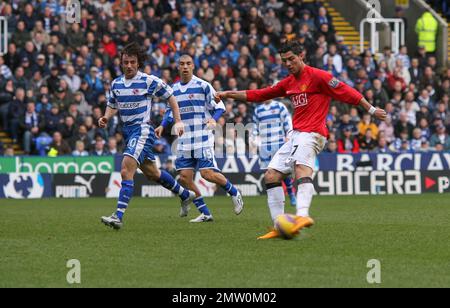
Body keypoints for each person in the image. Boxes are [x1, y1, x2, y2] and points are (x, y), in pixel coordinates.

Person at [216, 40, 387, 239]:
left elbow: (347, 92)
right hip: (296, 135)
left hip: (314, 133)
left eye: (291, 59)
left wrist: (371, 109)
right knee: (271, 176)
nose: (288, 64)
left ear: (301, 56)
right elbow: (259, 95)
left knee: (300, 170)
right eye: (284, 61)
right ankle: (279, 227)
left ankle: (303, 215)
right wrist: (228, 94)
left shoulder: (318, 76)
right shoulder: (288, 82)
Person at [99, 42, 195, 230]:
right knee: (153, 173)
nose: (128, 66)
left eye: (132, 62)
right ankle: (185, 194)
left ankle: (117, 216)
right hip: (127, 132)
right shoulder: (116, 83)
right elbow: (112, 105)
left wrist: (178, 121)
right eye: (125, 62)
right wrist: (106, 117)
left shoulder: (148, 81)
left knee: (126, 169)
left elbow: (171, 97)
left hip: (142, 130)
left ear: (138, 63)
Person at [156, 54, 244, 223]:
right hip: (184, 139)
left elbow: (219, 106)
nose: (185, 67)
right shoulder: (172, 90)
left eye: (188, 64)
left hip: (202, 137)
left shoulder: (203, 85)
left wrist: (213, 118)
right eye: (182, 64)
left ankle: (234, 192)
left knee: (207, 173)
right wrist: (162, 125)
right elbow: (170, 111)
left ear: (193, 66)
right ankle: (205, 213)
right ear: (178, 67)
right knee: (184, 178)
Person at [253, 100, 297, 207]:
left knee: (281, 169)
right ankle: (275, 198)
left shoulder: (279, 106)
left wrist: (289, 136)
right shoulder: (258, 110)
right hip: (265, 145)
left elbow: (287, 121)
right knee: (269, 172)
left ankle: (291, 193)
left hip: (279, 143)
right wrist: (255, 140)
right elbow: (254, 126)